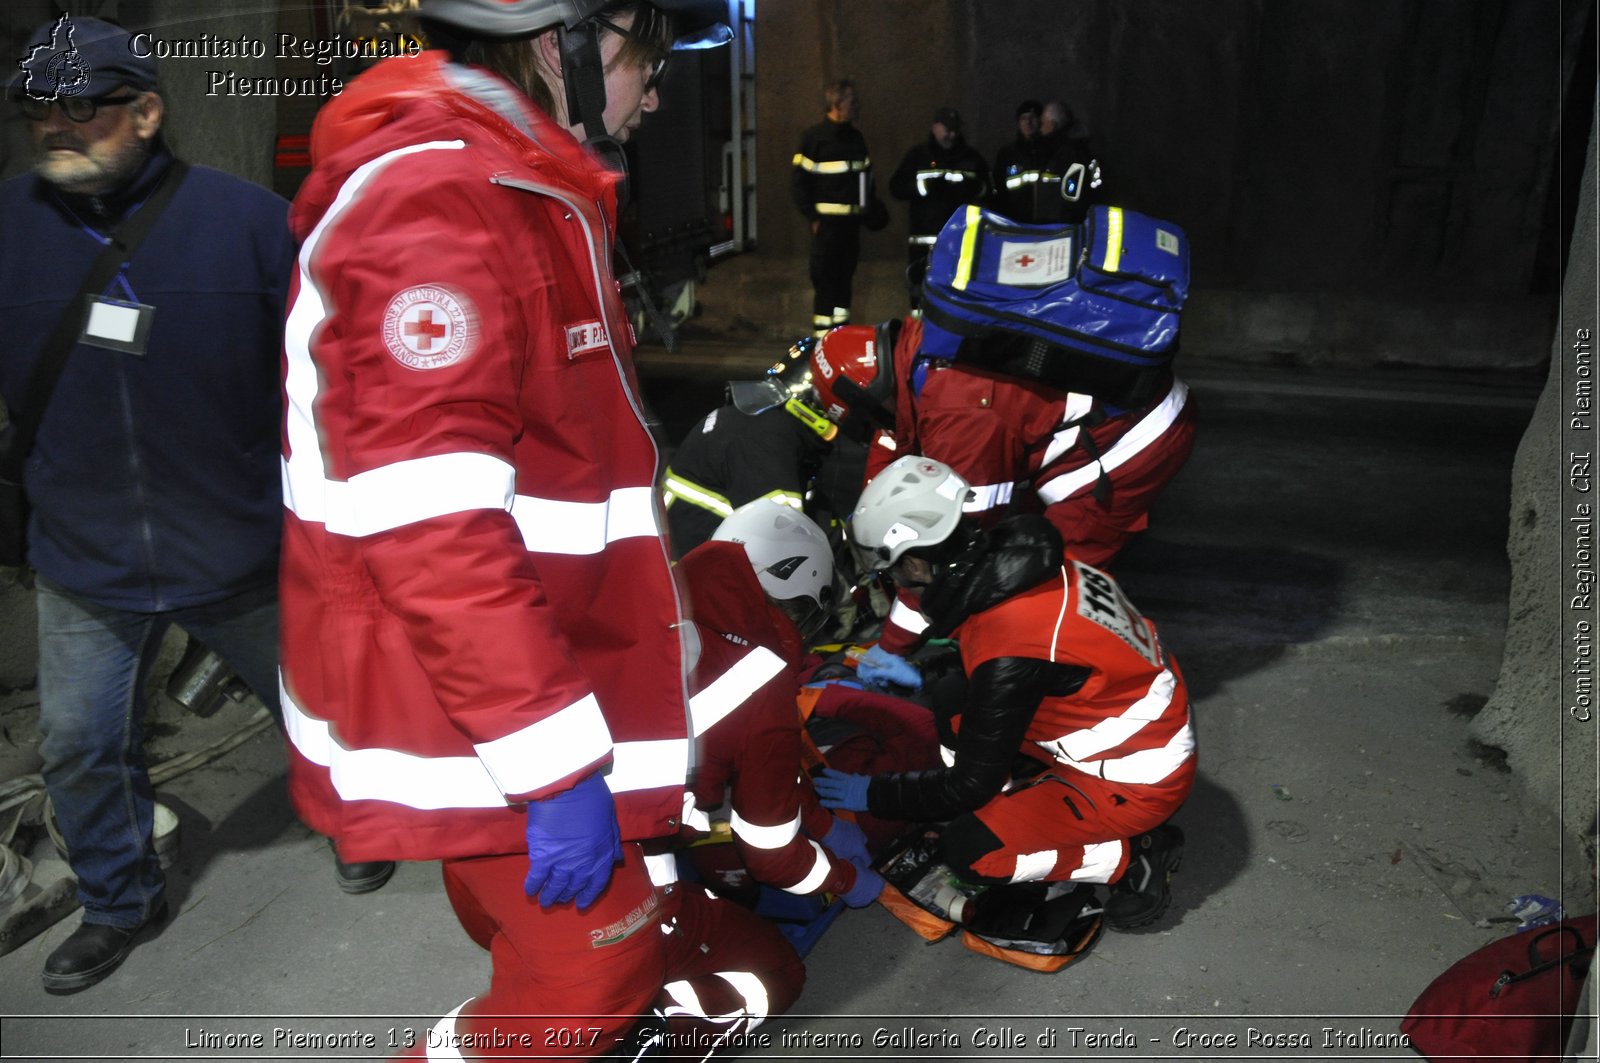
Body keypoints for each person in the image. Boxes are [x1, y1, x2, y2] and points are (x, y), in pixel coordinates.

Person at [276, 1, 796, 1055]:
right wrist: (555, 770)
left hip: (526, 684)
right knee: (590, 975)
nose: (653, 93)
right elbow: (430, 524)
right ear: (557, 40)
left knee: (537, 942)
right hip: (492, 708)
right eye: (642, 60)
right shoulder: (441, 203)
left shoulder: (513, 189)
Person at [0, 15, 388, 996]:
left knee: (315, 710)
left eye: (80, 108)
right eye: (38, 110)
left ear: (146, 111)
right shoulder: (5, 228)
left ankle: (353, 822)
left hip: (239, 547)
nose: (56, 128)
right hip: (86, 563)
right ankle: (119, 904)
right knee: (83, 748)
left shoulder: (250, 222)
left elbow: (329, 369)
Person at [818, 456, 1194, 931]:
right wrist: (931, 670)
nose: (897, 584)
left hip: (1136, 777)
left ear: (916, 560)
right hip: (1132, 719)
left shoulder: (1012, 641)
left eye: (894, 572)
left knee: (971, 854)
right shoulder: (1033, 564)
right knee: (955, 694)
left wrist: (874, 794)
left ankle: (1131, 856)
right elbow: (1032, 667)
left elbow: (968, 780)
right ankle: (1014, 802)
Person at [857, 315, 1196, 681]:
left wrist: (893, 646)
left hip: (1133, 439)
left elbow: (957, 540)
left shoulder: (957, 409)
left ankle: (1078, 681)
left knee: (1041, 581)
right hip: (1116, 413)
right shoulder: (924, 349)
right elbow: (892, 443)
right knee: (1014, 552)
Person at [673, 502, 890, 909]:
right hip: (610, 841)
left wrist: (822, 823)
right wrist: (847, 880)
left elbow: (757, 762)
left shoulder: (658, 588)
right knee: (777, 969)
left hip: (545, 795)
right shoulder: (762, 686)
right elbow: (770, 856)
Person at [663, 323, 897, 557]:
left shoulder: (770, 422)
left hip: (695, 567)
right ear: (841, 401)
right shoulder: (762, 440)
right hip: (692, 581)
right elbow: (788, 553)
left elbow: (815, 522)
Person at [791, 77, 888, 338]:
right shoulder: (814, 139)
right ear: (836, 103)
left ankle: (840, 341)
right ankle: (821, 346)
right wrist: (812, 217)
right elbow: (799, 183)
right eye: (853, 102)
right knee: (825, 286)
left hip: (850, 228)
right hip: (827, 229)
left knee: (844, 287)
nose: (858, 107)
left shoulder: (856, 139)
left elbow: (867, 181)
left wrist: (871, 211)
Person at [888, 106, 989, 309]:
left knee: (956, 299)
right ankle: (919, 338)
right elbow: (896, 188)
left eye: (955, 130)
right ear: (935, 127)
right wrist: (923, 188)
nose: (951, 135)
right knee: (921, 299)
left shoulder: (972, 159)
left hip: (960, 244)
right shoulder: (917, 156)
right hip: (923, 245)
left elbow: (989, 192)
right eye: (947, 129)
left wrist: (972, 188)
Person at [991, 99, 1055, 222]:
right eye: (1023, 118)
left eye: (1032, 118)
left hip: (1047, 222)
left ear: (1041, 121)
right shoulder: (1007, 154)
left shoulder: (1052, 152)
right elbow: (999, 190)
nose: (1028, 123)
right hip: (1015, 221)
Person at [1038, 100, 1102, 224]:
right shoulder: (1063, 149)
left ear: (1052, 125)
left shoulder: (1069, 152)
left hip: (1063, 230)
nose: (1040, 129)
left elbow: (1072, 199)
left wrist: (1063, 227)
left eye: (1042, 124)